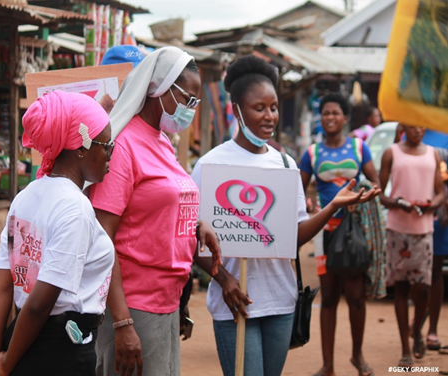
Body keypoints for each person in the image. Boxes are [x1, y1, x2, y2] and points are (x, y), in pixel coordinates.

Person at [190, 56, 380, 376]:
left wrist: (331, 207)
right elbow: (190, 239)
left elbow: (293, 236)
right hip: (234, 303)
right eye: (259, 108)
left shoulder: (285, 164)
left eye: (274, 107)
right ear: (236, 109)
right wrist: (224, 280)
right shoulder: (209, 166)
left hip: (281, 302)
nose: (270, 117)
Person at [89, 46, 222, 376]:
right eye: (187, 98)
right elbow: (102, 238)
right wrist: (122, 321)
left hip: (166, 302)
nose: (190, 109)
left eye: (195, 102)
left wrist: (195, 224)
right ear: (158, 89)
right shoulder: (123, 146)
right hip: (134, 306)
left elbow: (158, 202)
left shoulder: (162, 141)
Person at [0, 90, 116, 376]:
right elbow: (40, 304)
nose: (110, 157)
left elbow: (1, 285)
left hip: (21, 342)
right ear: (81, 148)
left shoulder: (26, 196)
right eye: (108, 146)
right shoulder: (75, 208)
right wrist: (4, 364)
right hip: (59, 354)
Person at [299, 92, 381, 376]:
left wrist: (367, 194)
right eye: (325, 113)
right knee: (330, 297)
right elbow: (298, 192)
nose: (330, 117)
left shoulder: (360, 149)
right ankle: (328, 365)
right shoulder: (311, 153)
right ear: (320, 119)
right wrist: (307, 203)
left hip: (354, 231)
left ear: (345, 118)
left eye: (335, 113)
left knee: (356, 295)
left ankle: (358, 356)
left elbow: (377, 183)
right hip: (325, 232)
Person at [379, 124, 444, 367]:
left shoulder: (433, 154)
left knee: (423, 289)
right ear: (403, 126)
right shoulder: (391, 153)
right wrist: (398, 203)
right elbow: (380, 193)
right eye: (412, 126)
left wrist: (430, 205)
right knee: (402, 289)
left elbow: (440, 193)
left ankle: (417, 330)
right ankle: (406, 349)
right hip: (397, 229)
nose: (418, 130)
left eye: (421, 126)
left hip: (424, 231)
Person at [419, 130, 448, 351]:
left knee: (436, 269)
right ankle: (418, 320)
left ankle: (432, 330)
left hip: (441, 214)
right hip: (414, 211)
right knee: (416, 274)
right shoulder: (413, 129)